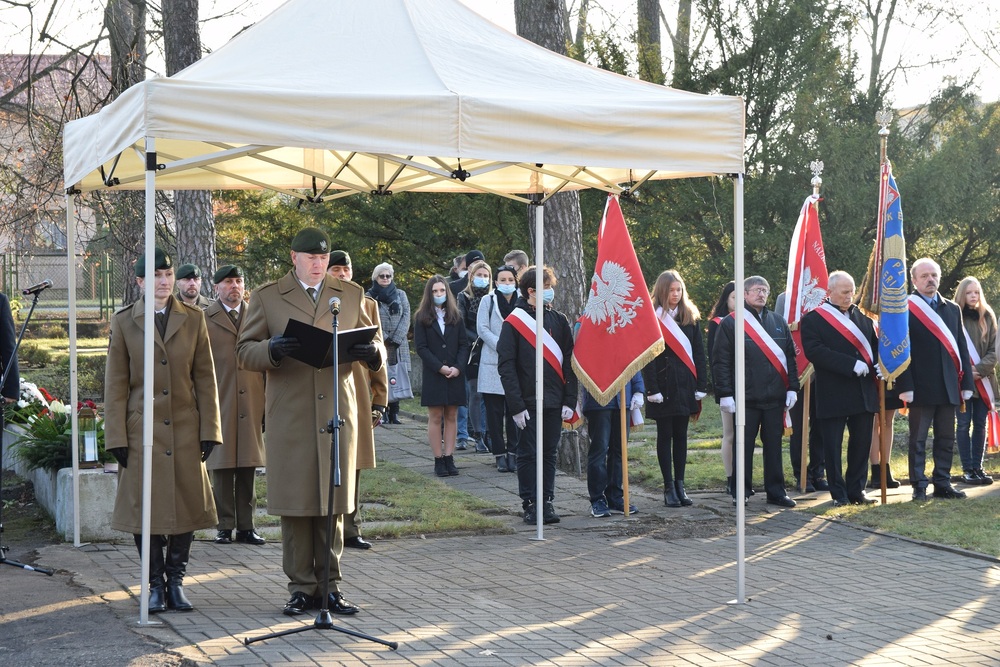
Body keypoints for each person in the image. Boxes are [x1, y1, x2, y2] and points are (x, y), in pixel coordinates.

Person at [236, 227, 381, 617]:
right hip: (292, 414)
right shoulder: (268, 296)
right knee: (297, 503)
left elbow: (376, 341)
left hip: (337, 410)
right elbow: (244, 351)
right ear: (294, 257)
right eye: (311, 258)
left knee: (333, 502)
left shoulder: (351, 294)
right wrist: (272, 349)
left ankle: (330, 587)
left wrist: (373, 354)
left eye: (323, 258)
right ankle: (301, 587)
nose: (318, 264)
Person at [105, 247, 222, 613]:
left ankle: (176, 582)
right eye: (156, 276)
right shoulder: (125, 321)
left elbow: (206, 377)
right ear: (140, 281)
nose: (164, 281)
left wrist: (210, 429)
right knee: (146, 508)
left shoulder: (194, 318)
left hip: (186, 427)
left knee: (187, 503)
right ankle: (154, 584)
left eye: (168, 275)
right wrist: (116, 436)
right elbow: (116, 384)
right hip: (142, 431)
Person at [497, 265, 577, 524]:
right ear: (531, 291)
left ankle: (547, 501)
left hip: (554, 399)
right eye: (547, 287)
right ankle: (530, 503)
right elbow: (506, 366)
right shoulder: (514, 322)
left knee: (549, 453)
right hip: (527, 401)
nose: (551, 291)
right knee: (528, 453)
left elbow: (570, 362)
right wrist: (516, 405)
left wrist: (570, 399)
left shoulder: (559, 320)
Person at [713, 275, 799, 508]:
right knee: (743, 446)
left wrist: (792, 387)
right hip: (745, 398)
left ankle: (776, 491)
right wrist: (725, 393)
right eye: (757, 290)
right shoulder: (731, 323)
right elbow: (721, 361)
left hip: (774, 397)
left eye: (765, 290)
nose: (762, 294)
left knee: (774, 446)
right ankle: (740, 491)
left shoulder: (779, 322)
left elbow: (790, 358)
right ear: (745, 294)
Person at [895, 258, 974, 501]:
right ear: (914, 280)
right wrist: (905, 385)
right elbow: (900, 349)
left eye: (934, 275)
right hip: (919, 386)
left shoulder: (952, 308)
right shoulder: (904, 307)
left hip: (949, 385)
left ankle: (942, 483)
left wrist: (967, 384)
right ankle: (919, 485)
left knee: (946, 438)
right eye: (924, 276)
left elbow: (961, 347)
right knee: (918, 440)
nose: (930, 280)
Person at [799, 271, 878, 506]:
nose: (849, 296)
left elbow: (874, 348)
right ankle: (838, 493)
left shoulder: (864, 318)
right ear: (830, 292)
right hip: (833, 391)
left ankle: (857, 490)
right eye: (844, 292)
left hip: (863, 391)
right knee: (832, 447)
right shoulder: (814, 319)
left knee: (861, 443)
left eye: (852, 291)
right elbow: (815, 351)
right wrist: (849, 364)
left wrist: (881, 366)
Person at [328, 251, 389, 550]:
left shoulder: (367, 304)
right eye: (336, 269)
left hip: (358, 389)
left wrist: (380, 398)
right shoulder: (319, 302)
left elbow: (377, 349)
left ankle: (352, 528)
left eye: (346, 270)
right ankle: (331, 526)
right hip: (328, 387)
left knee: (355, 461)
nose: (342, 275)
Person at [204, 265, 267, 546]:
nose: (234, 287)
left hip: (252, 398)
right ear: (216, 287)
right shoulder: (205, 318)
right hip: (220, 398)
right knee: (222, 465)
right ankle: (224, 525)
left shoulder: (257, 315)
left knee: (248, 465)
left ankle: (247, 526)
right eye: (228, 282)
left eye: (239, 281)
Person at [643, 270, 707, 508]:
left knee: (681, 435)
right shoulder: (652, 317)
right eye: (671, 290)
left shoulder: (690, 316)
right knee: (665, 435)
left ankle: (680, 484)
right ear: (662, 291)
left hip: (685, 384)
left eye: (679, 290)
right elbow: (648, 357)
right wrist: (652, 389)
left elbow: (699, 353)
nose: (676, 294)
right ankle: (668, 486)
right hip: (663, 386)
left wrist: (701, 385)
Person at [413, 275, 469, 477]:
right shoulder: (421, 317)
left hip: (455, 373)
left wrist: (458, 367)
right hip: (434, 374)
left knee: (452, 415)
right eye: (435, 291)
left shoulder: (456, 316)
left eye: (442, 290)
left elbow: (464, 344)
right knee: (436, 416)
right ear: (429, 294)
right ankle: (438, 459)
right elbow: (421, 347)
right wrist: (439, 367)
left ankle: (449, 457)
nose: (439, 294)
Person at [774, 291, 828, 492]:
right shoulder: (786, 298)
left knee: (821, 425)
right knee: (797, 427)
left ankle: (818, 472)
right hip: (796, 373)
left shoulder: (824, 294)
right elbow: (779, 333)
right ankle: (801, 474)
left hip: (823, 371)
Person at [582, 372, 644, 517]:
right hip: (599, 398)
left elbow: (633, 362)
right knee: (599, 451)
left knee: (619, 451)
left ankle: (615, 496)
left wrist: (638, 389)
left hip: (622, 398)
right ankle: (597, 499)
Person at [477, 264, 520, 472]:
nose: (506, 283)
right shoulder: (488, 300)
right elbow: (482, 328)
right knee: (494, 414)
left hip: (516, 363)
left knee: (514, 411)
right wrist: (501, 345)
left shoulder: (521, 301)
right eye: (502, 280)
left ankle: (513, 453)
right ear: (496, 282)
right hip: (491, 361)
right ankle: (499, 454)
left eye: (510, 280)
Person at [953, 276, 996, 486]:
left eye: (976, 292)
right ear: (962, 294)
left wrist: (978, 369)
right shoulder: (953, 316)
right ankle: (967, 469)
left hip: (984, 379)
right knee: (963, 424)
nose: (973, 296)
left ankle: (978, 468)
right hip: (962, 380)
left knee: (980, 424)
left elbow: (994, 350)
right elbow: (951, 348)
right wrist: (967, 373)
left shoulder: (988, 316)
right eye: (969, 292)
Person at [367, 262, 412, 425]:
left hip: (398, 343)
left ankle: (395, 413)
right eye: (382, 276)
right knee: (382, 376)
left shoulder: (401, 294)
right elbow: (368, 319)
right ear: (376, 277)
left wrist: (396, 338)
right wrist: (384, 338)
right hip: (379, 341)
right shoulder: (369, 296)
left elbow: (406, 315)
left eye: (388, 276)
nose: (385, 278)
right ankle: (383, 411)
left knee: (396, 375)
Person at [458, 259, 492, 452]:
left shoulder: (493, 298)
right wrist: (480, 339)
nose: (482, 278)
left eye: (486, 275)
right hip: (473, 350)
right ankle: (478, 435)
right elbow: (461, 325)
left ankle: (490, 434)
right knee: (475, 393)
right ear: (471, 277)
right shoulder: (463, 297)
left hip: (492, 348)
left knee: (491, 395)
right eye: (479, 275)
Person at [707, 282, 736, 494]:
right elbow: (714, 359)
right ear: (726, 300)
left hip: (751, 386)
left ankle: (744, 477)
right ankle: (730, 477)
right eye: (734, 297)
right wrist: (722, 389)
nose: (739, 301)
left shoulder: (752, 321)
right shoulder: (718, 323)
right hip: (728, 386)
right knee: (730, 434)